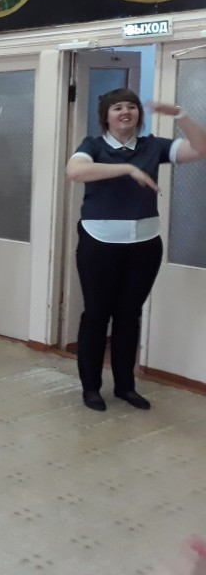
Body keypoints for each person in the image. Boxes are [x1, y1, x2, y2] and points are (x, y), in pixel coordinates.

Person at [65, 89, 206, 411]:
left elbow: (201, 149)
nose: (125, 112)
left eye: (131, 106)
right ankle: (91, 388)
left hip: (144, 243)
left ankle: (125, 387)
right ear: (106, 116)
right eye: (117, 107)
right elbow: (75, 172)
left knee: (129, 315)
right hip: (99, 241)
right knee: (97, 314)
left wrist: (181, 115)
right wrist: (127, 169)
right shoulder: (93, 146)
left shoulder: (152, 146)